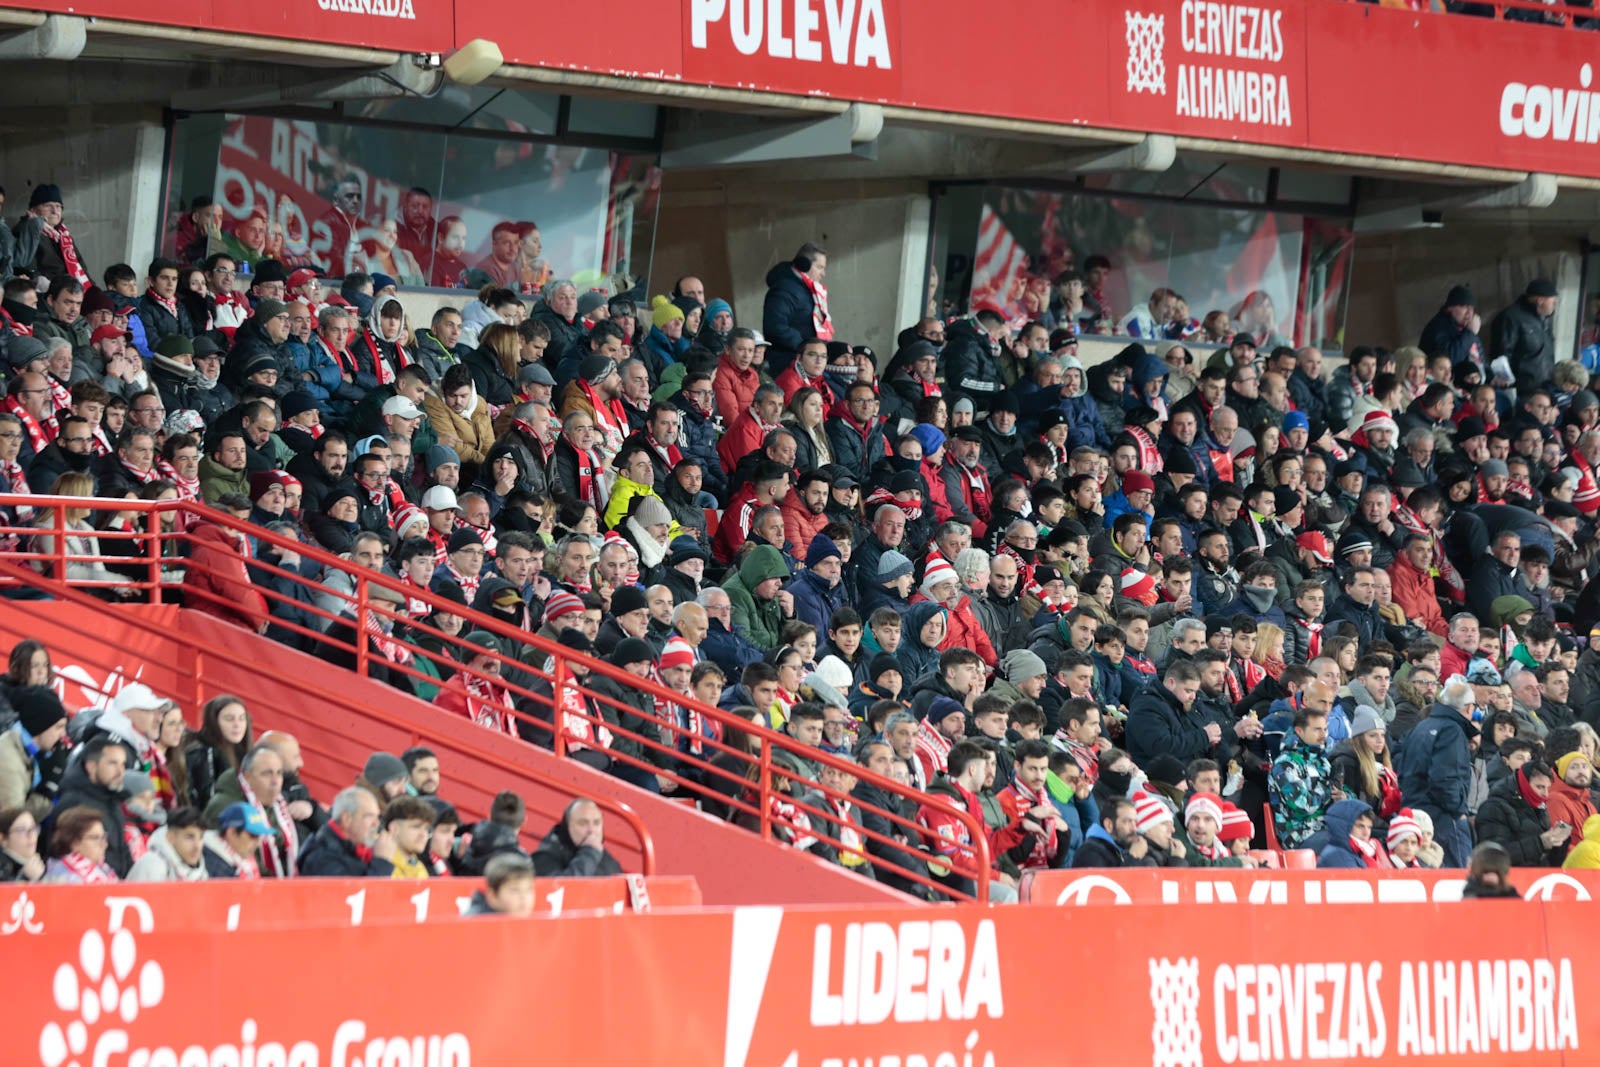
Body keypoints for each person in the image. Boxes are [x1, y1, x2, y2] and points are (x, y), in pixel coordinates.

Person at [1396, 675, 1479, 867]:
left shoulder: (1421, 726)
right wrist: (1458, 811)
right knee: (1457, 882)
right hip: (1444, 819)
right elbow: (1446, 778)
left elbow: (1402, 768)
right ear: (1468, 707)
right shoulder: (1452, 730)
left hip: (1414, 815)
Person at [1475, 760, 1571, 868]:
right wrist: (1540, 843)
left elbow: (1548, 861)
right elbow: (1493, 855)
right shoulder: (1494, 808)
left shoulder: (1539, 808)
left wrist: (1559, 842)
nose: (1545, 794)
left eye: (1548, 788)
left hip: (1536, 879)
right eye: (1540, 787)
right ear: (1524, 783)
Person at [1268, 704, 1334, 851]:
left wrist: (1343, 796)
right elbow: (1303, 805)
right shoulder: (1285, 765)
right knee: (1345, 844)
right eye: (1317, 729)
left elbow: (1341, 790)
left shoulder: (1321, 761)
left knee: (1376, 838)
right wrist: (1329, 790)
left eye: (1325, 729)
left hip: (1325, 826)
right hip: (1298, 835)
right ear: (1299, 731)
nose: (1323, 735)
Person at [297, 786, 392, 877]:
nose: (376, 823)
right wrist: (382, 862)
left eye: (377, 817)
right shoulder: (322, 858)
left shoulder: (357, 850)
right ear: (346, 819)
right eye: (369, 816)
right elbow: (357, 893)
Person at [531, 798, 624, 877]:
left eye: (596, 823)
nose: (591, 830)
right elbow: (563, 891)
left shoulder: (610, 862)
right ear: (567, 826)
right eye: (583, 823)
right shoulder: (545, 857)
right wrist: (589, 853)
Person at [126, 806, 208, 882]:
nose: (197, 846)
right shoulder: (152, 866)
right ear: (170, 837)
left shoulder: (201, 871)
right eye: (189, 837)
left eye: (201, 837)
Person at [42, 805, 117, 883]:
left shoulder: (103, 868)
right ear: (74, 842)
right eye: (96, 838)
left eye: (103, 837)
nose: (105, 845)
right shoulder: (65, 878)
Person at [466, 853, 538, 917]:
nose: (523, 897)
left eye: (528, 889)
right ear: (493, 896)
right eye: (515, 890)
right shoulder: (474, 923)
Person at [0, 806, 46, 882]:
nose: (31, 835)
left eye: (33, 828)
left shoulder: (36, 863)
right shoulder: (3, 868)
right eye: (21, 830)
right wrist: (26, 879)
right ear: (3, 838)